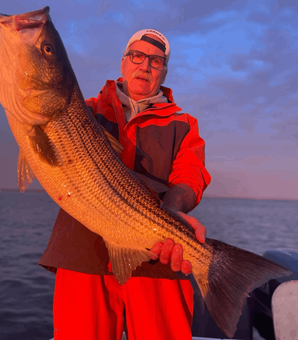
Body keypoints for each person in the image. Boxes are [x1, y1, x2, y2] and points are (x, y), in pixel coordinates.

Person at [39, 29, 211, 340]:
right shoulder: (84, 110)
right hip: (83, 250)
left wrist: (172, 210)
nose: (145, 65)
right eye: (138, 56)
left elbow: (191, 173)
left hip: (156, 251)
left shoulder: (184, 123)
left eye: (156, 60)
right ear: (123, 63)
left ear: (164, 71)